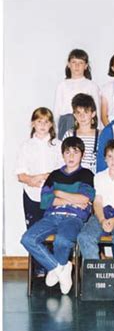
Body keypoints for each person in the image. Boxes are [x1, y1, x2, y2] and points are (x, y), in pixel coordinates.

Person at [21, 137, 95, 295]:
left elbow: (84, 199)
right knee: (27, 239)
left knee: (62, 240)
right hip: (52, 216)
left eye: (75, 152)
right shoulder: (54, 175)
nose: (71, 156)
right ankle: (61, 268)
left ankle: (56, 268)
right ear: (63, 155)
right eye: (67, 152)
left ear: (82, 154)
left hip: (74, 217)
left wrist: (58, 193)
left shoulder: (86, 174)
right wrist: (71, 198)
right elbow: (45, 201)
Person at [16, 107, 63, 276]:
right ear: (33, 123)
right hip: (31, 195)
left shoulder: (57, 145)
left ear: (51, 124)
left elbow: (61, 171)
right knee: (34, 232)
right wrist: (31, 179)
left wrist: (45, 176)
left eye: (46, 122)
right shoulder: (26, 146)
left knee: (52, 231)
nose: (43, 125)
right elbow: (20, 174)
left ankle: (55, 270)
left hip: (51, 195)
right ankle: (40, 270)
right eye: (39, 121)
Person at [77, 139, 114, 261]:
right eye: (110, 156)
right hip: (102, 214)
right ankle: (95, 275)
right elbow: (98, 202)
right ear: (105, 158)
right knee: (84, 237)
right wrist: (102, 219)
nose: (113, 160)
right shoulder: (99, 177)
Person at [54, 49, 100, 139]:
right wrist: (55, 131)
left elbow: (96, 109)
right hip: (66, 122)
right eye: (74, 62)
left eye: (81, 63)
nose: (77, 66)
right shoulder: (62, 85)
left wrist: (98, 129)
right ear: (68, 64)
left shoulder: (92, 85)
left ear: (86, 66)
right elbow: (57, 110)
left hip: (86, 123)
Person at [62, 93, 100, 173]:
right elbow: (63, 159)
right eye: (78, 113)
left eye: (85, 112)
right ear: (74, 115)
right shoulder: (69, 134)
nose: (82, 116)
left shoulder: (101, 135)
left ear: (93, 113)